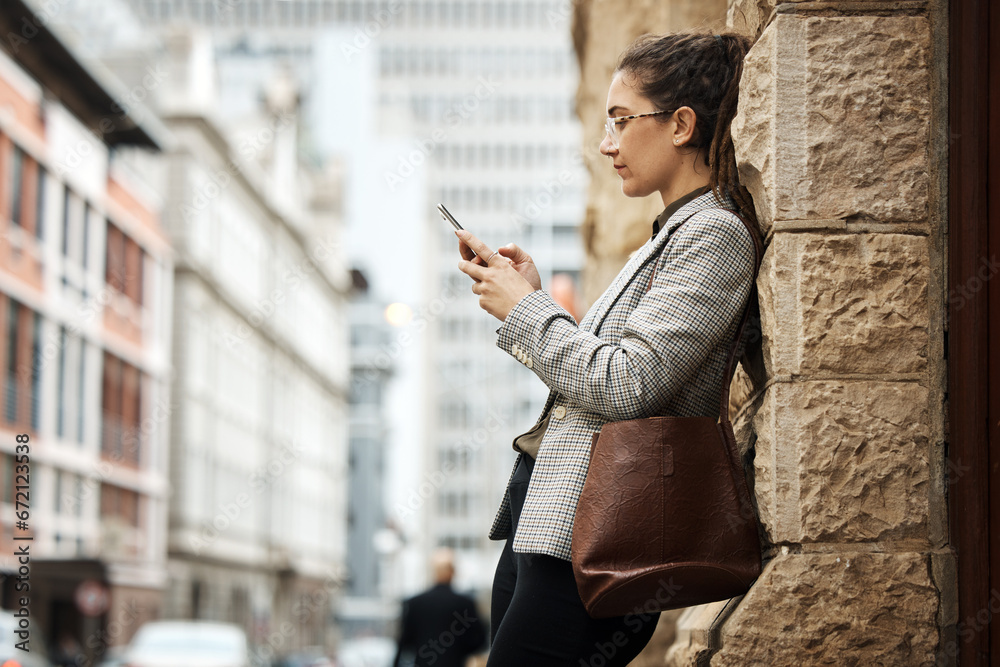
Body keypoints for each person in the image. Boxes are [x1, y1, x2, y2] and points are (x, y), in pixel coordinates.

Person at [454, 31, 758, 665]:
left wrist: (528, 311)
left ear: (680, 125)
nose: (606, 143)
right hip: (550, 522)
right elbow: (605, 371)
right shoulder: (672, 230)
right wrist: (535, 296)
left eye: (622, 120)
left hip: (600, 540)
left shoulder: (715, 235)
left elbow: (627, 385)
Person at [393, 548, 486, 667]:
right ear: (453, 571)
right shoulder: (466, 604)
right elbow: (479, 640)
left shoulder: (415, 603)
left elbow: (404, 640)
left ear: (434, 571)